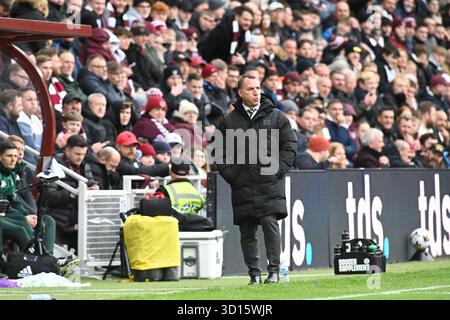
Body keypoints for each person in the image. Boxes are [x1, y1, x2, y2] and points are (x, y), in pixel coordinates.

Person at [214, 74, 297, 285]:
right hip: (243, 186)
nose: (256, 92)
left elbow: (289, 146)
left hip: (269, 183)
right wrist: (233, 176)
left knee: (270, 224)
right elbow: (218, 153)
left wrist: (277, 170)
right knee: (247, 230)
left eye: (258, 88)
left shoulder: (277, 117)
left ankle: (274, 271)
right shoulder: (228, 121)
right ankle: (254, 275)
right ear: (240, 93)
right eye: (250, 89)